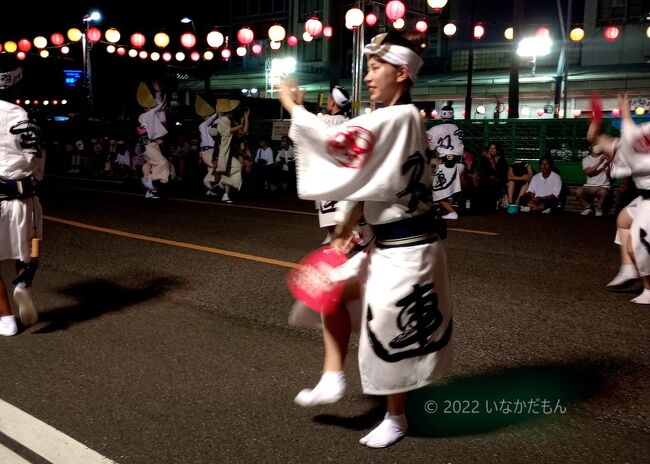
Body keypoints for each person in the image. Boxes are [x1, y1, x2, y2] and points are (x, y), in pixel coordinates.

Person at [279, 31, 453, 448]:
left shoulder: (402, 116)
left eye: (376, 68)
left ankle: (396, 418)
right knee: (329, 290)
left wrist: (294, 108)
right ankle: (332, 376)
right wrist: (345, 230)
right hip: (385, 242)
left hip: (411, 249)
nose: (369, 77)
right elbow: (374, 183)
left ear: (402, 72)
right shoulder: (389, 118)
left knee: (391, 333)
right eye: (369, 68)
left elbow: (339, 143)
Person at [588, 93, 650, 302]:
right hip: (644, 199)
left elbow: (630, 138)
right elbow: (598, 140)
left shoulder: (639, 139)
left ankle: (649, 290)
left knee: (637, 246)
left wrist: (624, 111)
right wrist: (596, 122)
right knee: (623, 220)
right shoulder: (639, 138)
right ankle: (628, 269)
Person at [0, 54, 43, 336]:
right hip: (23, 198)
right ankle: (23, 283)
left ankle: (5, 320)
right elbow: (36, 162)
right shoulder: (23, 118)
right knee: (33, 247)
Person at [427, 105, 464, 220]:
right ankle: (446, 210)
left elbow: (428, 145)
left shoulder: (436, 129)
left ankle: (452, 212)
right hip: (460, 163)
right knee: (440, 190)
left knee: (436, 191)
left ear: (441, 115)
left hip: (449, 164)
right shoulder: (458, 129)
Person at [136, 81, 171, 199]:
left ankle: (149, 191)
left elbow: (159, 108)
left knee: (151, 166)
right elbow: (142, 131)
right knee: (163, 163)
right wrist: (158, 93)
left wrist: (158, 93)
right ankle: (149, 180)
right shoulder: (146, 115)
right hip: (148, 144)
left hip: (152, 144)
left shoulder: (152, 116)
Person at [576, 145, 610, 216]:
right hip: (589, 186)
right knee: (578, 191)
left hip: (602, 186)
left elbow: (608, 174)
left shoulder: (606, 158)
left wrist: (609, 163)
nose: (597, 146)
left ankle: (599, 209)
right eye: (595, 145)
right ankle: (587, 208)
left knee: (604, 192)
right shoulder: (585, 159)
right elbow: (588, 173)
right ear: (590, 147)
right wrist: (600, 162)